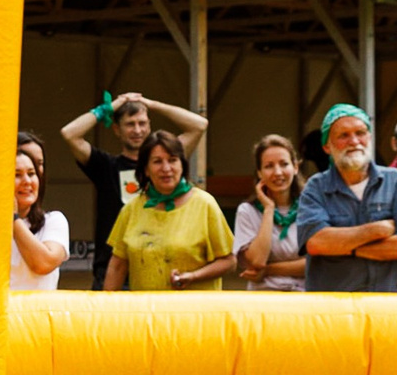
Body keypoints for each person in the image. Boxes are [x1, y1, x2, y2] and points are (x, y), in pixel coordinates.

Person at [63, 90, 209, 290]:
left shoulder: (164, 164)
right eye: (130, 124)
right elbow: (70, 134)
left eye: (142, 123)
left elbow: (199, 125)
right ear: (117, 129)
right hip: (112, 271)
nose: (137, 130)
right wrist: (110, 107)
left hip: (157, 270)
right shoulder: (106, 165)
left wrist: (152, 104)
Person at [295, 104, 397, 292]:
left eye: (360, 133)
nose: (354, 141)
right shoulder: (315, 188)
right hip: (333, 305)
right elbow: (316, 243)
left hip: (387, 303)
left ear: (370, 138)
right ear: (327, 147)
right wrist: (376, 230)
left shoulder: (395, 181)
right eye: (344, 135)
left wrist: (346, 247)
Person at [102, 131, 234, 291]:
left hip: (195, 306)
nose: (166, 168)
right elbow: (117, 266)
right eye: (157, 161)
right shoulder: (131, 209)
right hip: (146, 306)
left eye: (172, 160)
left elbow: (229, 261)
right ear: (146, 169)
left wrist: (193, 276)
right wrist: (106, 303)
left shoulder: (205, 204)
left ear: (182, 165)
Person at [234, 133, 307, 291]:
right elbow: (257, 262)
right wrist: (268, 209)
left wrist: (268, 270)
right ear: (259, 173)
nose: (278, 172)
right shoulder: (247, 211)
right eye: (269, 166)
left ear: (295, 167)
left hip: (305, 297)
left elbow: (316, 264)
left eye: (284, 164)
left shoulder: (311, 207)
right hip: (264, 297)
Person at [12, 146, 69, 292]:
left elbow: (44, 264)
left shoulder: (53, 220)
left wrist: (13, 218)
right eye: (17, 175)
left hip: (38, 307)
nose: (27, 181)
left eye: (31, 174)